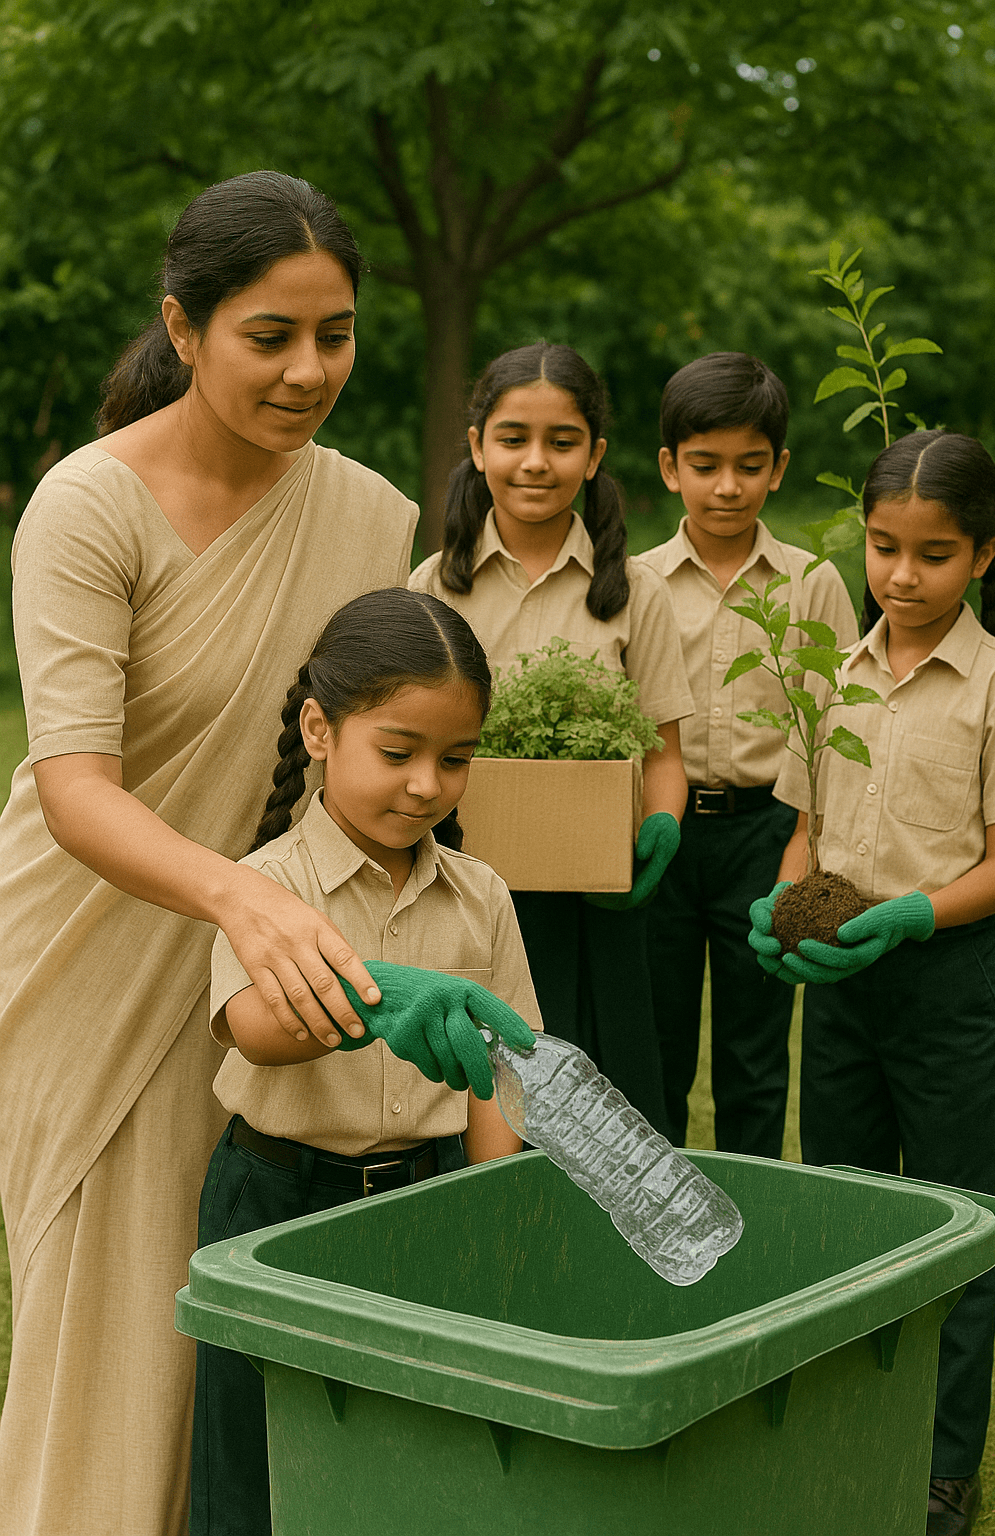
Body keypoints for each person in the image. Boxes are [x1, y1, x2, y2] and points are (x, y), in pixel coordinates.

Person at [0, 171, 422, 1536]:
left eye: (337, 334)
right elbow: (75, 787)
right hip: (88, 947)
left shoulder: (371, 517)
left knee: (231, 1317)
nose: (311, 370)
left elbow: (377, 747)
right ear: (183, 329)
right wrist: (234, 895)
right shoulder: (86, 506)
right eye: (270, 335)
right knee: (101, 1335)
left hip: (273, 968)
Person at [191, 586, 541, 1536]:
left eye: (455, 759)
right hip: (274, 1201)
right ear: (319, 728)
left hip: (425, 1203)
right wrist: (377, 998)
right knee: (256, 1463)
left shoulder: (483, 898)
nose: (427, 784)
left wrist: (492, 1203)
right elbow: (257, 1028)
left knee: (410, 1458)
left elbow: (501, 1074)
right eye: (399, 753)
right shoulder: (264, 887)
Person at [750, 431, 995, 1536]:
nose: (902, 575)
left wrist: (912, 912)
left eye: (933, 554)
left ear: (984, 555)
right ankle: (844, 1433)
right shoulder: (829, 674)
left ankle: (940, 1462)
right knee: (843, 1214)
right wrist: (780, 908)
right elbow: (805, 831)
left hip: (944, 982)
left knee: (950, 1221)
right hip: (842, 985)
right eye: (882, 547)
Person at [409, 341, 691, 1132]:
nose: (536, 462)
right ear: (476, 446)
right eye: (513, 439)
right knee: (484, 1104)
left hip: (598, 903)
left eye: (562, 442)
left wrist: (660, 825)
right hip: (465, 889)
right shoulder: (432, 586)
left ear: (595, 455)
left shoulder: (638, 591)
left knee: (609, 1110)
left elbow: (665, 750)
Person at [638, 353, 858, 1155]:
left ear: (779, 469)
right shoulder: (635, 582)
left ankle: (752, 1218)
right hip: (660, 833)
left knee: (755, 1048)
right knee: (655, 1045)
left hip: (766, 834)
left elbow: (830, 727)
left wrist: (803, 844)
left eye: (748, 466)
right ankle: (658, 1221)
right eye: (705, 465)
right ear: (670, 468)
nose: (726, 486)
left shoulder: (814, 584)